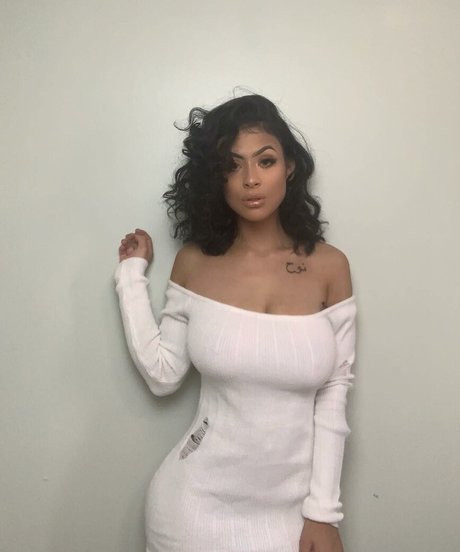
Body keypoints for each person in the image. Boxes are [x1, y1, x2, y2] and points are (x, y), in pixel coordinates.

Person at [114, 93, 356, 552]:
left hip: (292, 516)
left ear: (289, 167)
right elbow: (164, 376)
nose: (250, 179)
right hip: (192, 509)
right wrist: (130, 277)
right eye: (232, 165)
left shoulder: (330, 267)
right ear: (216, 177)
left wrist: (323, 513)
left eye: (265, 161)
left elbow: (334, 391)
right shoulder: (195, 263)